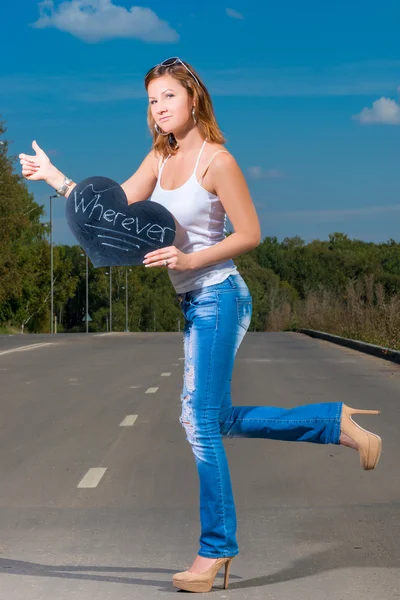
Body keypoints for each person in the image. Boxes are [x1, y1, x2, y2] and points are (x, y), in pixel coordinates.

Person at [19, 56, 382, 594]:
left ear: (192, 97)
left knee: (199, 423)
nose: (158, 108)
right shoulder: (159, 160)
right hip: (193, 304)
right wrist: (55, 177)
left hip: (220, 295)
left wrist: (192, 260)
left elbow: (251, 232)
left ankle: (215, 550)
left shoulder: (217, 162)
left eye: (167, 96)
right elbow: (108, 211)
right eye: (150, 100)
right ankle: (334, 423)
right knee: (211, 419)